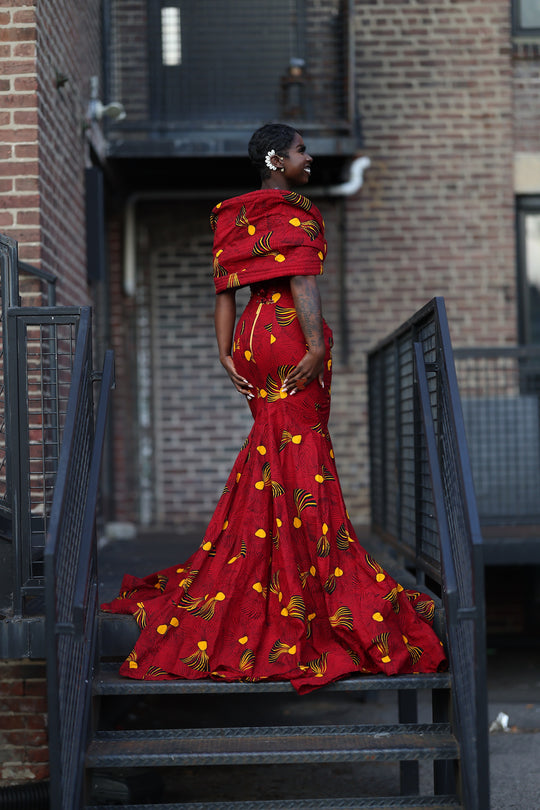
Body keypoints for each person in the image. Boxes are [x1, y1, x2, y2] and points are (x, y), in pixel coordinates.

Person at [101, 123, 447, 693]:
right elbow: (303, 281)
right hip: (290, 337)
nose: (308, 159)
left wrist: (222, 353)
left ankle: (272, 564)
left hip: (250, 339)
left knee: (275, 454)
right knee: (301, 454)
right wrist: (315, 346)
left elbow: (224, 290)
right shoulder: (292, 211)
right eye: (300, 151)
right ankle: (308, 580)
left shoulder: (233, 215)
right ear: (275, 158)